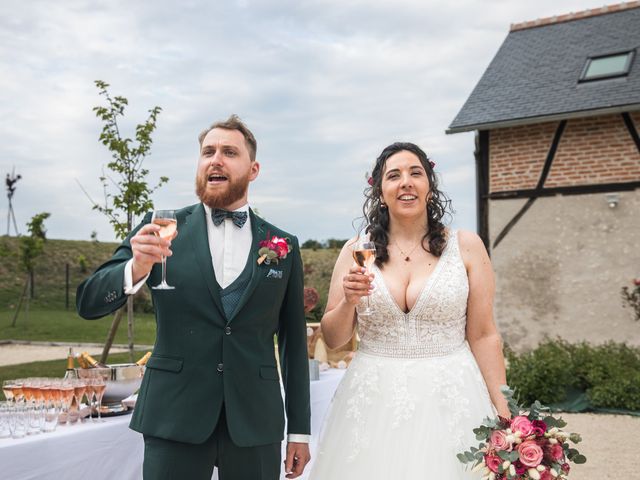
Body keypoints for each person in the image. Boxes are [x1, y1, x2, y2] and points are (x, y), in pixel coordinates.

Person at [76, 115, 311, 480]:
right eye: (208, 152)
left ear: (253, 169)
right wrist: (136, 268)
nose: (215, 159)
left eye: (229, 152)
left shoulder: (283, 245)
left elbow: (294, 344)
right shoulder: (159, 229)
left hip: (255, 421)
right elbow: (88, 302)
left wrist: (299, 430)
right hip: (174, 415)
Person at [308, 142, 509, 479]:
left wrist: (505, 412)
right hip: (373, 400)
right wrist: (348, 302)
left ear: (430, 187)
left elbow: (484, 334)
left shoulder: (467, 246)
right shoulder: (355, 250)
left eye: (416, 173)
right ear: (380, 191)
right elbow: (335, 339)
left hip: (451, 395)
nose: (406, 182)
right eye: (394, 175)